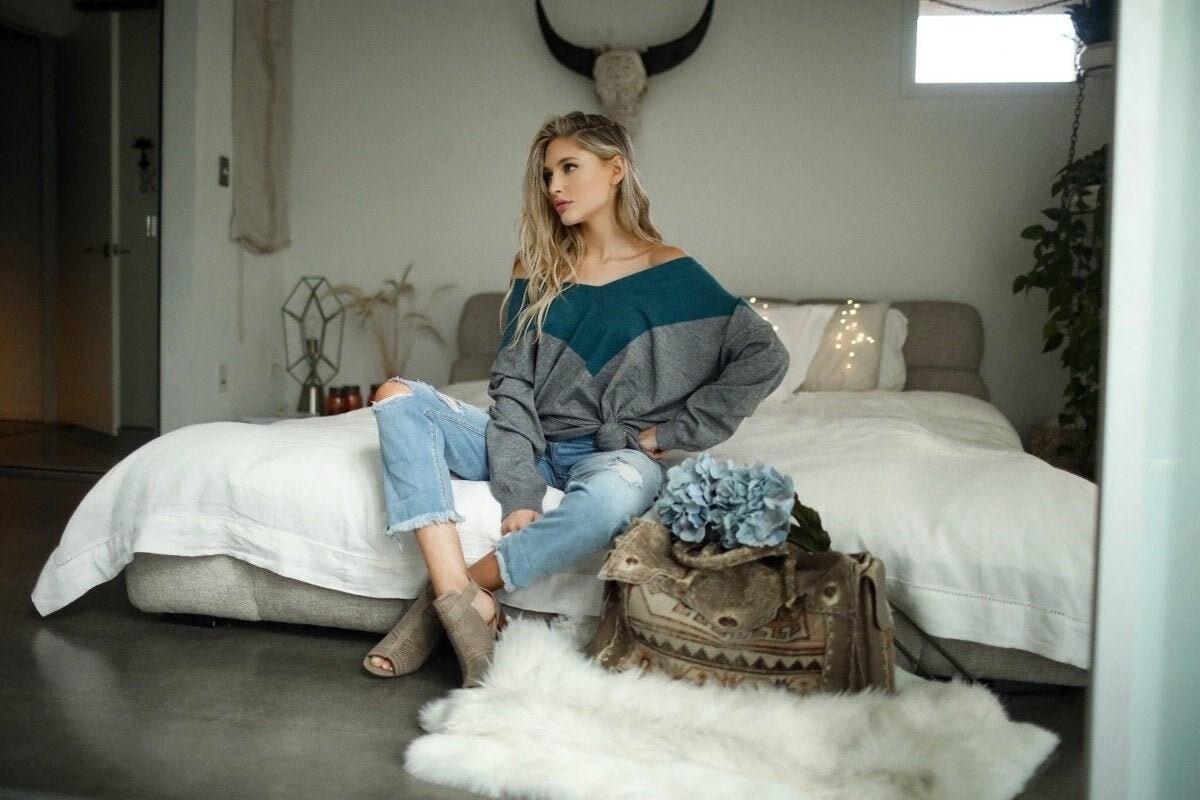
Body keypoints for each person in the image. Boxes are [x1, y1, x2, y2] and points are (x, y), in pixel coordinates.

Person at [363, 111, 788, 687]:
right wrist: (519, 490)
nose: (554, 187)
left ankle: (452, 600)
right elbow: (513, 387)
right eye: (547, 175)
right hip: (527, 442)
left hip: (612, 454)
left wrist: (671, 434)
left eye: (569, 168)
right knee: (396, 397)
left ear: (615, 170)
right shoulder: (535, 269)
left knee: (613, 502)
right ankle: (461, 599)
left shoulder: (671, 271)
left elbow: (764, 354)